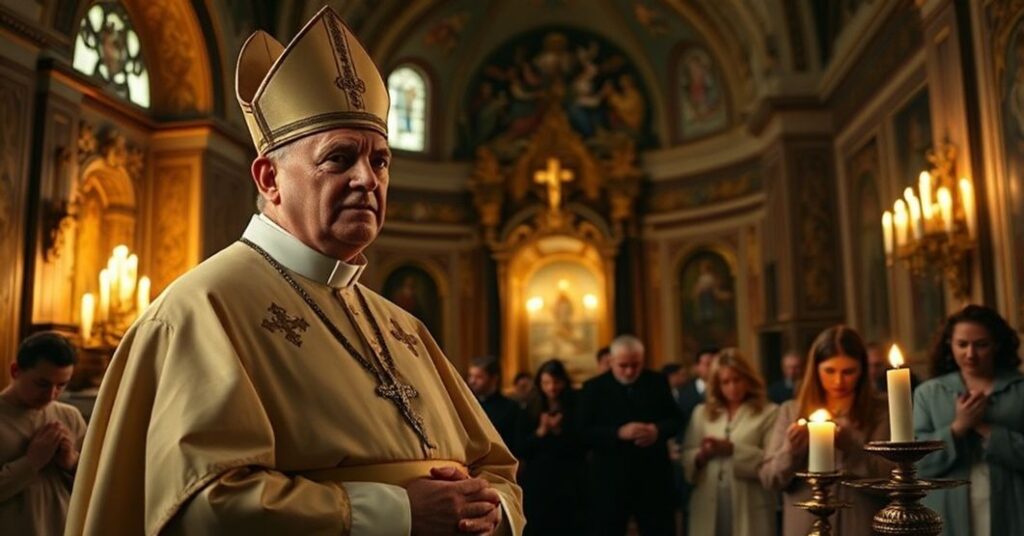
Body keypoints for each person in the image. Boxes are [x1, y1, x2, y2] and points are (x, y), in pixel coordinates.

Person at [66, 8, 523, 535]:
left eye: (380, 161)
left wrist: (490, 510)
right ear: (269, 178)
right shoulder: (203, 308)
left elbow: (498, 467)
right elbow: (203, 506)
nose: (367, 180)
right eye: (339, 158)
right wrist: (399, 513)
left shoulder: (402, 324)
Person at [760, 326, 890, 536]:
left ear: (862, 371)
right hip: (806, 526)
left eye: (848, 371)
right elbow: (770, 479)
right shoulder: (791, 411)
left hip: (861, 525)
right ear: (815, 369)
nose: (838, 381)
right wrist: (791, 451)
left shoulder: (880, 411)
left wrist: (851, 447)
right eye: (829, 371)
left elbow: (890, 478)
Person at [914, 304, 1024, 536]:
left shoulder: (1020, 389)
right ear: (949, 345)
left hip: (1013, 506)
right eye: (962, 344)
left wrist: (988, 430)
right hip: (947, 510)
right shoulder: (929, 393)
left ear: (997, 344)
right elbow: (916, 463)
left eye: (981, 345)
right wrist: (958, 427)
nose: (970, 354)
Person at [578, 334, 682, 535]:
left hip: (653, 477)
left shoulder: (657, 381)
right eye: (623, 365)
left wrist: (656, 430)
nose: (629, 371)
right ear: (611, 361)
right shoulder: (593, 388)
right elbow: (582, 432)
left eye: (635, 365)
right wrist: (617, 433)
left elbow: (676, 420)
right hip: (610, 478)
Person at [682, 349, 778, 536]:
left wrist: (733, 449)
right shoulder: (702, 413)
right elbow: (687, 456)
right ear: (716, 384)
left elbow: (771, 461)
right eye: (725, 382)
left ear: (748, 379)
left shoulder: (769, 412)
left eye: (737, 380)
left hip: (750, 503)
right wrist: (701, 455)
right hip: (707, 502)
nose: (732, 387)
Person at [0, 332, 86, 535]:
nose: (51, 395)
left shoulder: (70, 416)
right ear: (15, 371)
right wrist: (31, 462)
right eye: (42, 384)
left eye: (61, 386)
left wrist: (72, 463)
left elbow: (98, 488)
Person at [518, 359, 586, 535]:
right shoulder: (530, 407)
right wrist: (541, 431)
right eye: (546, 383)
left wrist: (558, 431)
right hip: (538, 479)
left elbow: (582, 443)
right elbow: (521, 447)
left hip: (569, 478)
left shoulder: (576, 405)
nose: (552, 387)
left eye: (556, 382)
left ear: (564, 382)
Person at [468, 356, 522, 452]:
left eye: (479, 377)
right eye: (471, 376)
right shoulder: (468, 405)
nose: (472, 381)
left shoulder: (511, 408)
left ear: (494, 378)